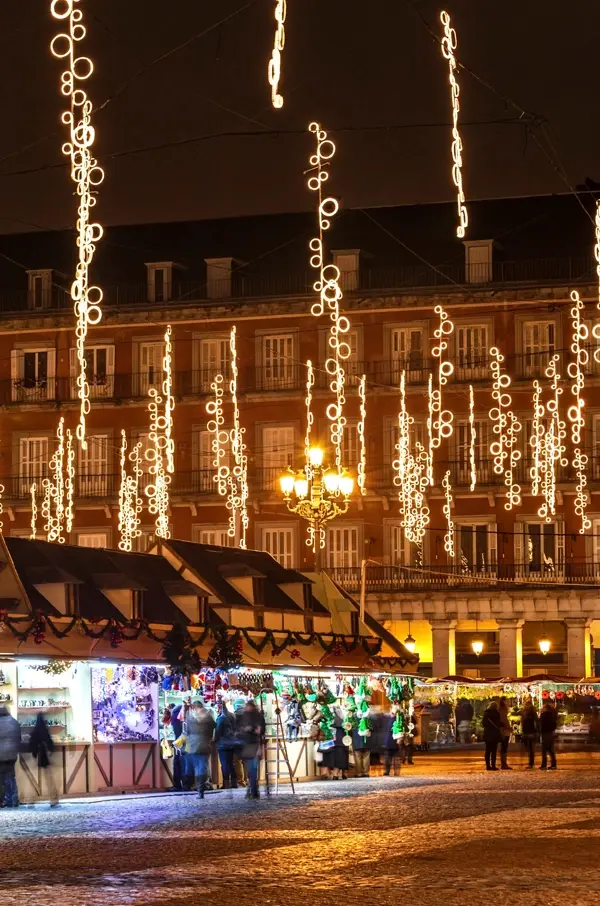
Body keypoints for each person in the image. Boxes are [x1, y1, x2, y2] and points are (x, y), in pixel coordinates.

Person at [185, 699, 216, 798]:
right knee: (202, 767)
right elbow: (213, 728)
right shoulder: (209, 716)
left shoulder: (190, 717)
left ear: (194, 708)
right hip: (204, 744)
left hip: (193, 745)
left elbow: (187, 732)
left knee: (197, 767)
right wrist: (209, 738)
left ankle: (199, 788)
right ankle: (201, 789)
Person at [29, 712, 59, 807]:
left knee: (34, 780)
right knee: (49, 780)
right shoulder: (45, 730)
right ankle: (53, 800)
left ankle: (30, 800)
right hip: (45, 757)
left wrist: (34, 754)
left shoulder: (35, 731)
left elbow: (32, 744)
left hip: (37, 757)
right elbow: (50, 743)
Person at [238, 700, 265, 799]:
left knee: (252, 769)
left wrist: (250, 729)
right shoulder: (248, 716)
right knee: (252, 770)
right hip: (250, 745)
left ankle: (252, 791)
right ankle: (252, 791)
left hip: (252, 745)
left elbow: (260, 732)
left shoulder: (255, 717)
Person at [0, 704, 21, 808]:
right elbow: (19, 739)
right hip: (12, 756)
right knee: (11, 777)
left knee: (2, 779)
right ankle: (14, 799)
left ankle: (4, 800)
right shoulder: (14, 722)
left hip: (1, 757)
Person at [214, 703, 238, 790]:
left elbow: (218, 732)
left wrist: (214, 739)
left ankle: (226, 783)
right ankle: (234, 783)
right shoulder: (232, 715)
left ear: (220, 707)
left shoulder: (221, 718)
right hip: (232, 743)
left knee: (224, 764)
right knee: (231, 763)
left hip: (223, 744)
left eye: (217, 707)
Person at [482, 701, 502, 771]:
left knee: (487, 750)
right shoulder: (497, 714)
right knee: (494, 750)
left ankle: (488, 765)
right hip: (495, 734)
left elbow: (484, 724)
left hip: (488, 734)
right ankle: (493, 765)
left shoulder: (486, 713)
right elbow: (499, 723)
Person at [521, 699, 540, 768]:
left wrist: (537, 730)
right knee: (529, 747)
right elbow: (522, 722)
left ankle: (531, 763)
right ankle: (530, 762)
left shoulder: (531, 713)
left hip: (530, 731)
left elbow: (536, 721)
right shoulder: (524, 712)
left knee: (530, 748)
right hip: (527, 731)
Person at [381, 709, 400, 775]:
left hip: (389, 741)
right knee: (393, 757)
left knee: (388, 757)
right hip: (393, 741)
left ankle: (387, 771)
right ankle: (395, 772)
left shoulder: (392, 719)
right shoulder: (396, 719)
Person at [539, 701, 558, 770]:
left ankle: (544, 765)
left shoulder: (543, 715)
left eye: (543, 707)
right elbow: (554, 724)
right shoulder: (552, 715)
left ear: (545, 708)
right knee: (551, 750)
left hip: (545, 733)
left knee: (544, 750)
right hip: (550, 733)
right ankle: (553, 764)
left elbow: (541, 724)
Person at [498, 697, 512, 770]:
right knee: (504, 747)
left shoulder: (500, 710)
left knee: (503, 747)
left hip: (502, 730)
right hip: (504, 730)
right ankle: (504, 764)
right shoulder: (503, 711)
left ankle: (503, 763)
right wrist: (509, 728)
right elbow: (504, 720)